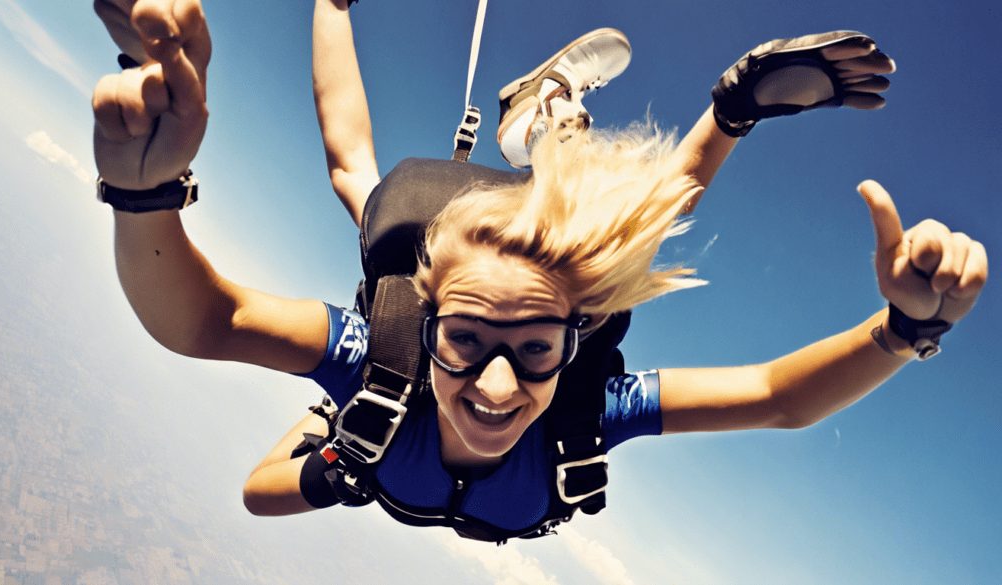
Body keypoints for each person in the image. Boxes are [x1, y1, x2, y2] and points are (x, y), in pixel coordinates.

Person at [91, 0, 988, 542]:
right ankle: (555, 119)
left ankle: (554, 117)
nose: (493, 382)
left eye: (530, 349)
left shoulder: (382, 382)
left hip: (475, 275)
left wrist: (148, 197)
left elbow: (205, 329)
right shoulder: (537, 399)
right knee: (597, 238)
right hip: (504, 279)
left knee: (395, 201)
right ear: (434, 315)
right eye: (471, 341)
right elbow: (773, 398)